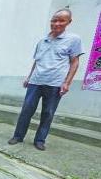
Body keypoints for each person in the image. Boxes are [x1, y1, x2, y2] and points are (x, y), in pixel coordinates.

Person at [8, 8, 84, 151]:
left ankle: (40, 140)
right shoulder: (42, 41)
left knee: (48, 113)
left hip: (55, 83)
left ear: (69, 22)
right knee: (26, 110)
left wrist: (67, 83)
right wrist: (29, 77)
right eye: (54, 20)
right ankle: (18, 136)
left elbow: (75, 62)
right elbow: (37, 61)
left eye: (61, 20)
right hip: (35, 81)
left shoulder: (74, 40)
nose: (57, 23)